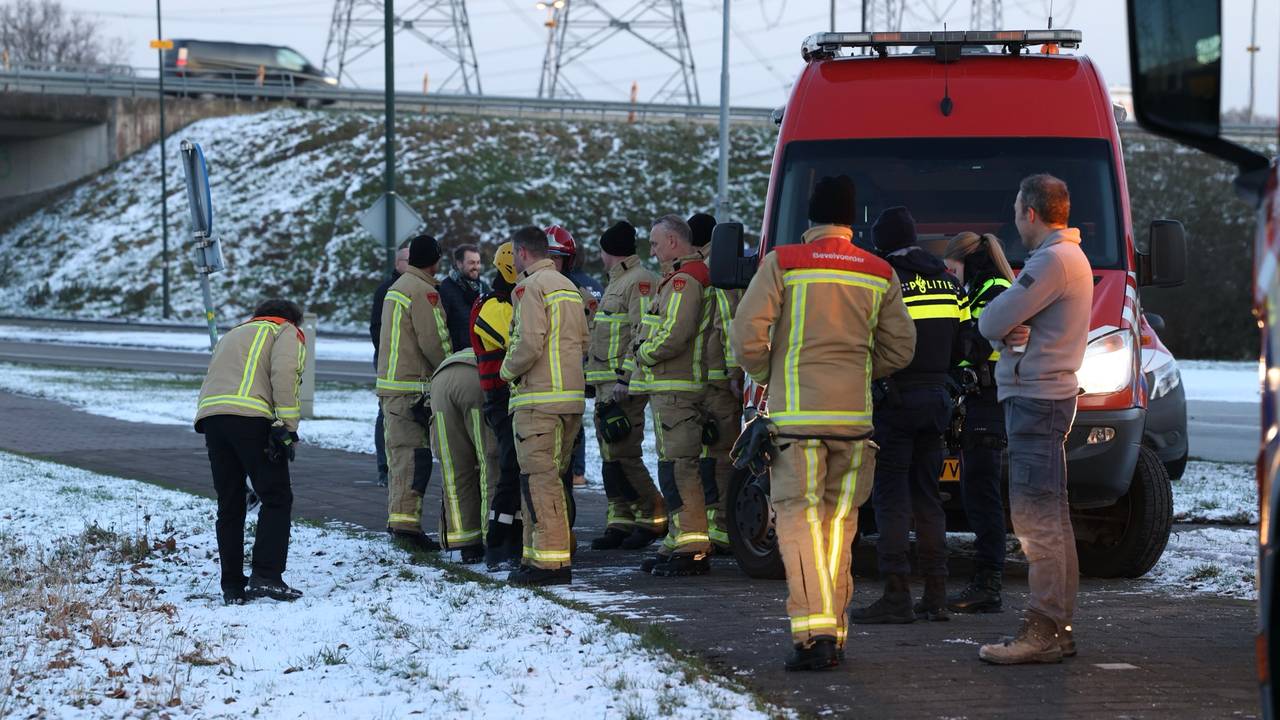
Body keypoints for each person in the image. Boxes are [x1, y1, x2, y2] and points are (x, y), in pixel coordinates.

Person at [731, 176, 916, 670]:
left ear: (810, 217)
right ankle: (832, 629)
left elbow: (746, 335)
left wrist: (771, 371)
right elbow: (901, 348)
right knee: (838, 526)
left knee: (798, 523)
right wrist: (857, 370)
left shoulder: (784, 263)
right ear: (852, 219)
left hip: (797, 423)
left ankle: (814, 638)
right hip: (855, 425)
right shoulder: (878, 271)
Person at [977, 174, 1093, 665]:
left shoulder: (1050, 261)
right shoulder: (1072, 258)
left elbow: (989, 320)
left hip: (1035, 400)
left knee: (1036, 519)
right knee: (1053, 516)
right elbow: (1009, 324)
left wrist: (1004, 334)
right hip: (1048, 398)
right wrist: (1011, 333)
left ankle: (1043, 630)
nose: (1014, 219)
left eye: (1016, 209)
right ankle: (1056, 627)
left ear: (1030, 212)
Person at [849, 206, 968, 625]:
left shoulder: (883, 279)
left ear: (881, 242)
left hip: (895, 400)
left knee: (891, 498)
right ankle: (936, 595)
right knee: (928, 497)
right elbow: (964, 342)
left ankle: (896, 595)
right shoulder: (948, 280)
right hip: (938, 399)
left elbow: (864, 337)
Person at [195, 299, 309, 605]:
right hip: (250, 418)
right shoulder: (286, 331)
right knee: (276, 496)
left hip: (212, 419)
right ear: (293, 320)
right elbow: (284, 374)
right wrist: (287, 426)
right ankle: (267, 576)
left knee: (230, 503)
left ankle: (232, 585)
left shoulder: (234, 332)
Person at [501, 226, 590, 586]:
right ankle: (537, 554)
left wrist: (507, 370)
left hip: (539, 400)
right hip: (569, 399)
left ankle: (550, 563)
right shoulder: (568, 286)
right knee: (554, 479)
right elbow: (583, 340)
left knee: (540, 482)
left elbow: (529, 342)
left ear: (522, 252)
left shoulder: (528, 287)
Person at [631, 215, 714, 578]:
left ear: (675, 243)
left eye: (655, 243)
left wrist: (643, 353)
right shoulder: (678, 278)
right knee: (671, 467)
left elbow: (675, 334)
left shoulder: (685, 280)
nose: (651, 250)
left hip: (678, 386)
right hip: (670, 387)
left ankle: (692, 547)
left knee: (681, 468)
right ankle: (679, 540)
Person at [943, 232, 1016, 614]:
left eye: (951, 267)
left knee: (982, 493)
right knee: (977, 491)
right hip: (982, 401)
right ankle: (986, 580)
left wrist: (952, 348)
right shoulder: (983, 287)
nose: (949, 275)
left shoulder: (992, 287)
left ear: (967, 259)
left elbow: (978, 341)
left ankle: (988, 583)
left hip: (988, 402)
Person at [585, 220, 667, 551]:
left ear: (610, 252)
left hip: (622, 387)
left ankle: (653, 514)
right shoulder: (617, 282)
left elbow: (641, 331)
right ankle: (621, 519)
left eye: (603, 251)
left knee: (624, 452)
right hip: (606, 387)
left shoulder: (640, 281)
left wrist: (625, 377)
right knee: (609, 456)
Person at [376, 234, 452, 552]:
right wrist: (452, 367)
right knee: (413, 458)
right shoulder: (423, 292)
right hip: (412, 389)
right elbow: (434, 340)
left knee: (400, 458)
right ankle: (407, 527)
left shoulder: (397, 288)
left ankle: (400, 521)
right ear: (435, 261)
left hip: (394, 387)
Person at [688, 211, 743, 554]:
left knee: (720, 453)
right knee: (713, 452)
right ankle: (716, 523)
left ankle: (722, 526)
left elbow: (728, 320)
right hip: (714, 375)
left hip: (719, 378)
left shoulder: (714, 268)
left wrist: (733, 371)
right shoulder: (714, 264)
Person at [470, 242, 525, 571]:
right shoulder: (494, 305)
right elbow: (516, 342)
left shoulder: (503, 301)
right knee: (509, 470)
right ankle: (498, 545)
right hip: (502, 398)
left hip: (511, 397)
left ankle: (514, 541)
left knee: (516, 471)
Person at [429, 347, 499, 565]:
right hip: (476, 379)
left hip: (440, 382)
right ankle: (492, 538)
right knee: (489, 465)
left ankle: (464, 542)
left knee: (454, 468)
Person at [546, 225, 596, 489]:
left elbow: (588, 341)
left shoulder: (581, 295)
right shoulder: (525, 291)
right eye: (548, 257)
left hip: (568, 390)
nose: (552, 264)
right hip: (537, 394)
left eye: (557, 258)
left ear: (568, 261)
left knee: (563, 464)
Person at [369, 240, 412, 487]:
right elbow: (377, 329)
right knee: (386, 411)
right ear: (397, 264)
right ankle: (384, 467)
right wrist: (388, 353)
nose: (410, 263)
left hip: (411, 361)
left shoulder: (419, 287)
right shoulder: (385, 289)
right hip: (389, 359)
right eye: (406, 260)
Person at [439, 243, 488, 353]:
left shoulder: (483, 288)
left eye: (478, 262)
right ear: (459, 263)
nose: (476, 267)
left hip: (482, 355)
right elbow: (440, 327)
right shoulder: (446, 288)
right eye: (471, 263)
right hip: (457, 356)